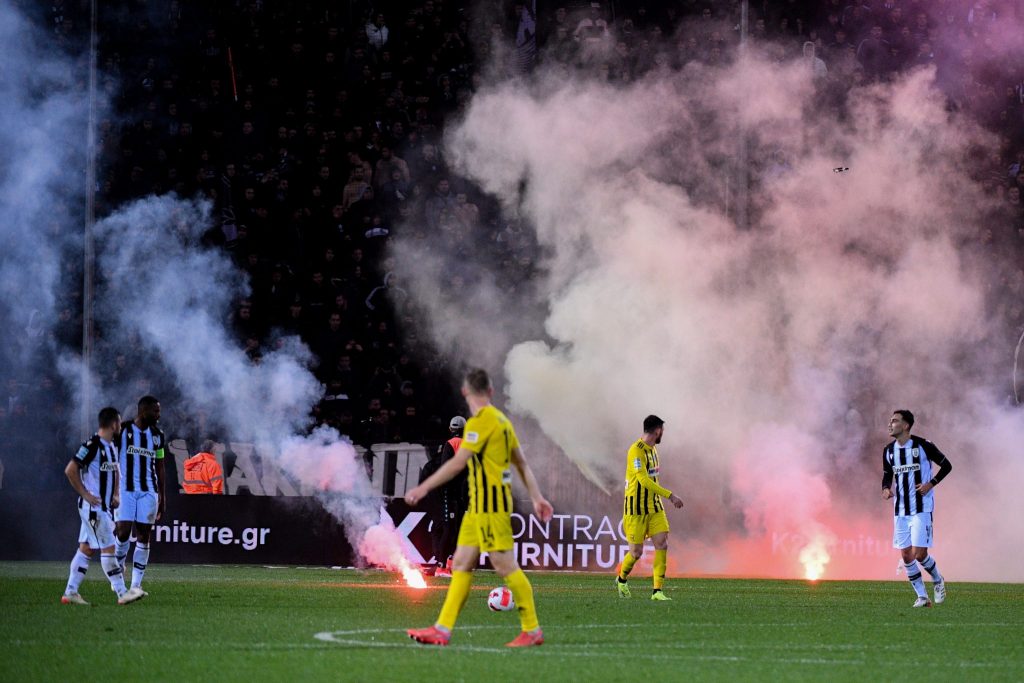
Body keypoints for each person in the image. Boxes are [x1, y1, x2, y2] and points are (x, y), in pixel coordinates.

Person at [405, 368, 553, 648]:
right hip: (479, 507)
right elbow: (520, 463)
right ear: (491, 391)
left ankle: (532, 629)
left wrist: (423, 487)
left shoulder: (480, 423)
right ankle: (442, 630)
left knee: (505, 565)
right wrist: (537, 497)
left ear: (465, 392)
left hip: (491, 507)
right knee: (460, 563)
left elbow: (458, 463)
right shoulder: (503, 422)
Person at [61, 407, 145, 605]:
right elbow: (70, 470)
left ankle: (70, 592)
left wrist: (116, 493)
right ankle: (122, 592)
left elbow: (115, 471)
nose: (120, 426)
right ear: (114, 424)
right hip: (93, 508)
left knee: (86, 549)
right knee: (109, 549)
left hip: (103, 507)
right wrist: (85, 494)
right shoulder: (92, 445)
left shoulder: (110, 446)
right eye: (119, 422)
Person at [882, 410, 952, 607]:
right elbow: (887, 474)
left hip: (922, 508)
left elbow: (947, 466)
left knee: (919, 554)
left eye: (894, 421)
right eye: (890, 421)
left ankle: (938, 580)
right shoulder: (888, 450)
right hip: (900, 510)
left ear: (906, 426)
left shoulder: (924, 445)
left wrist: (931, 483)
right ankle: (922, 596)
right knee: (906, 555)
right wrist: (886, 489)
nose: (890, 424)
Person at [615, 415, 684, 601]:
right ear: (657, 430)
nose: (663, 434)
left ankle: (657, 591)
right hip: (635, 510)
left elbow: (653, 480)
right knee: (636, 553)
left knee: (662, 544)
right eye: (663, 430)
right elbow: (644, 481)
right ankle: (621, 579)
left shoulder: (654, 450)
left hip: (654, 508)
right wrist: (670, 495)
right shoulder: (635, 451)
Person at [113, 395, 166, 597]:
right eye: (156, 411)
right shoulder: (123, 430)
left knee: (144, 535)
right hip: (125, 489)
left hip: (148, 490)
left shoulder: (158, 435)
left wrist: (163, 496)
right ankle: (117, 571)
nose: (158, 415)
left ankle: (136, 585)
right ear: (143, 411)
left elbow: (160, 466)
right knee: (123, 532)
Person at [418, 416, 468, 577]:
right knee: (454, 529)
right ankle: (446, 565)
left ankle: (442, 566)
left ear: (450, 429)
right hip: (461, 492)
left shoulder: (450, 444)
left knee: (448, 528)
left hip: (448, 492)